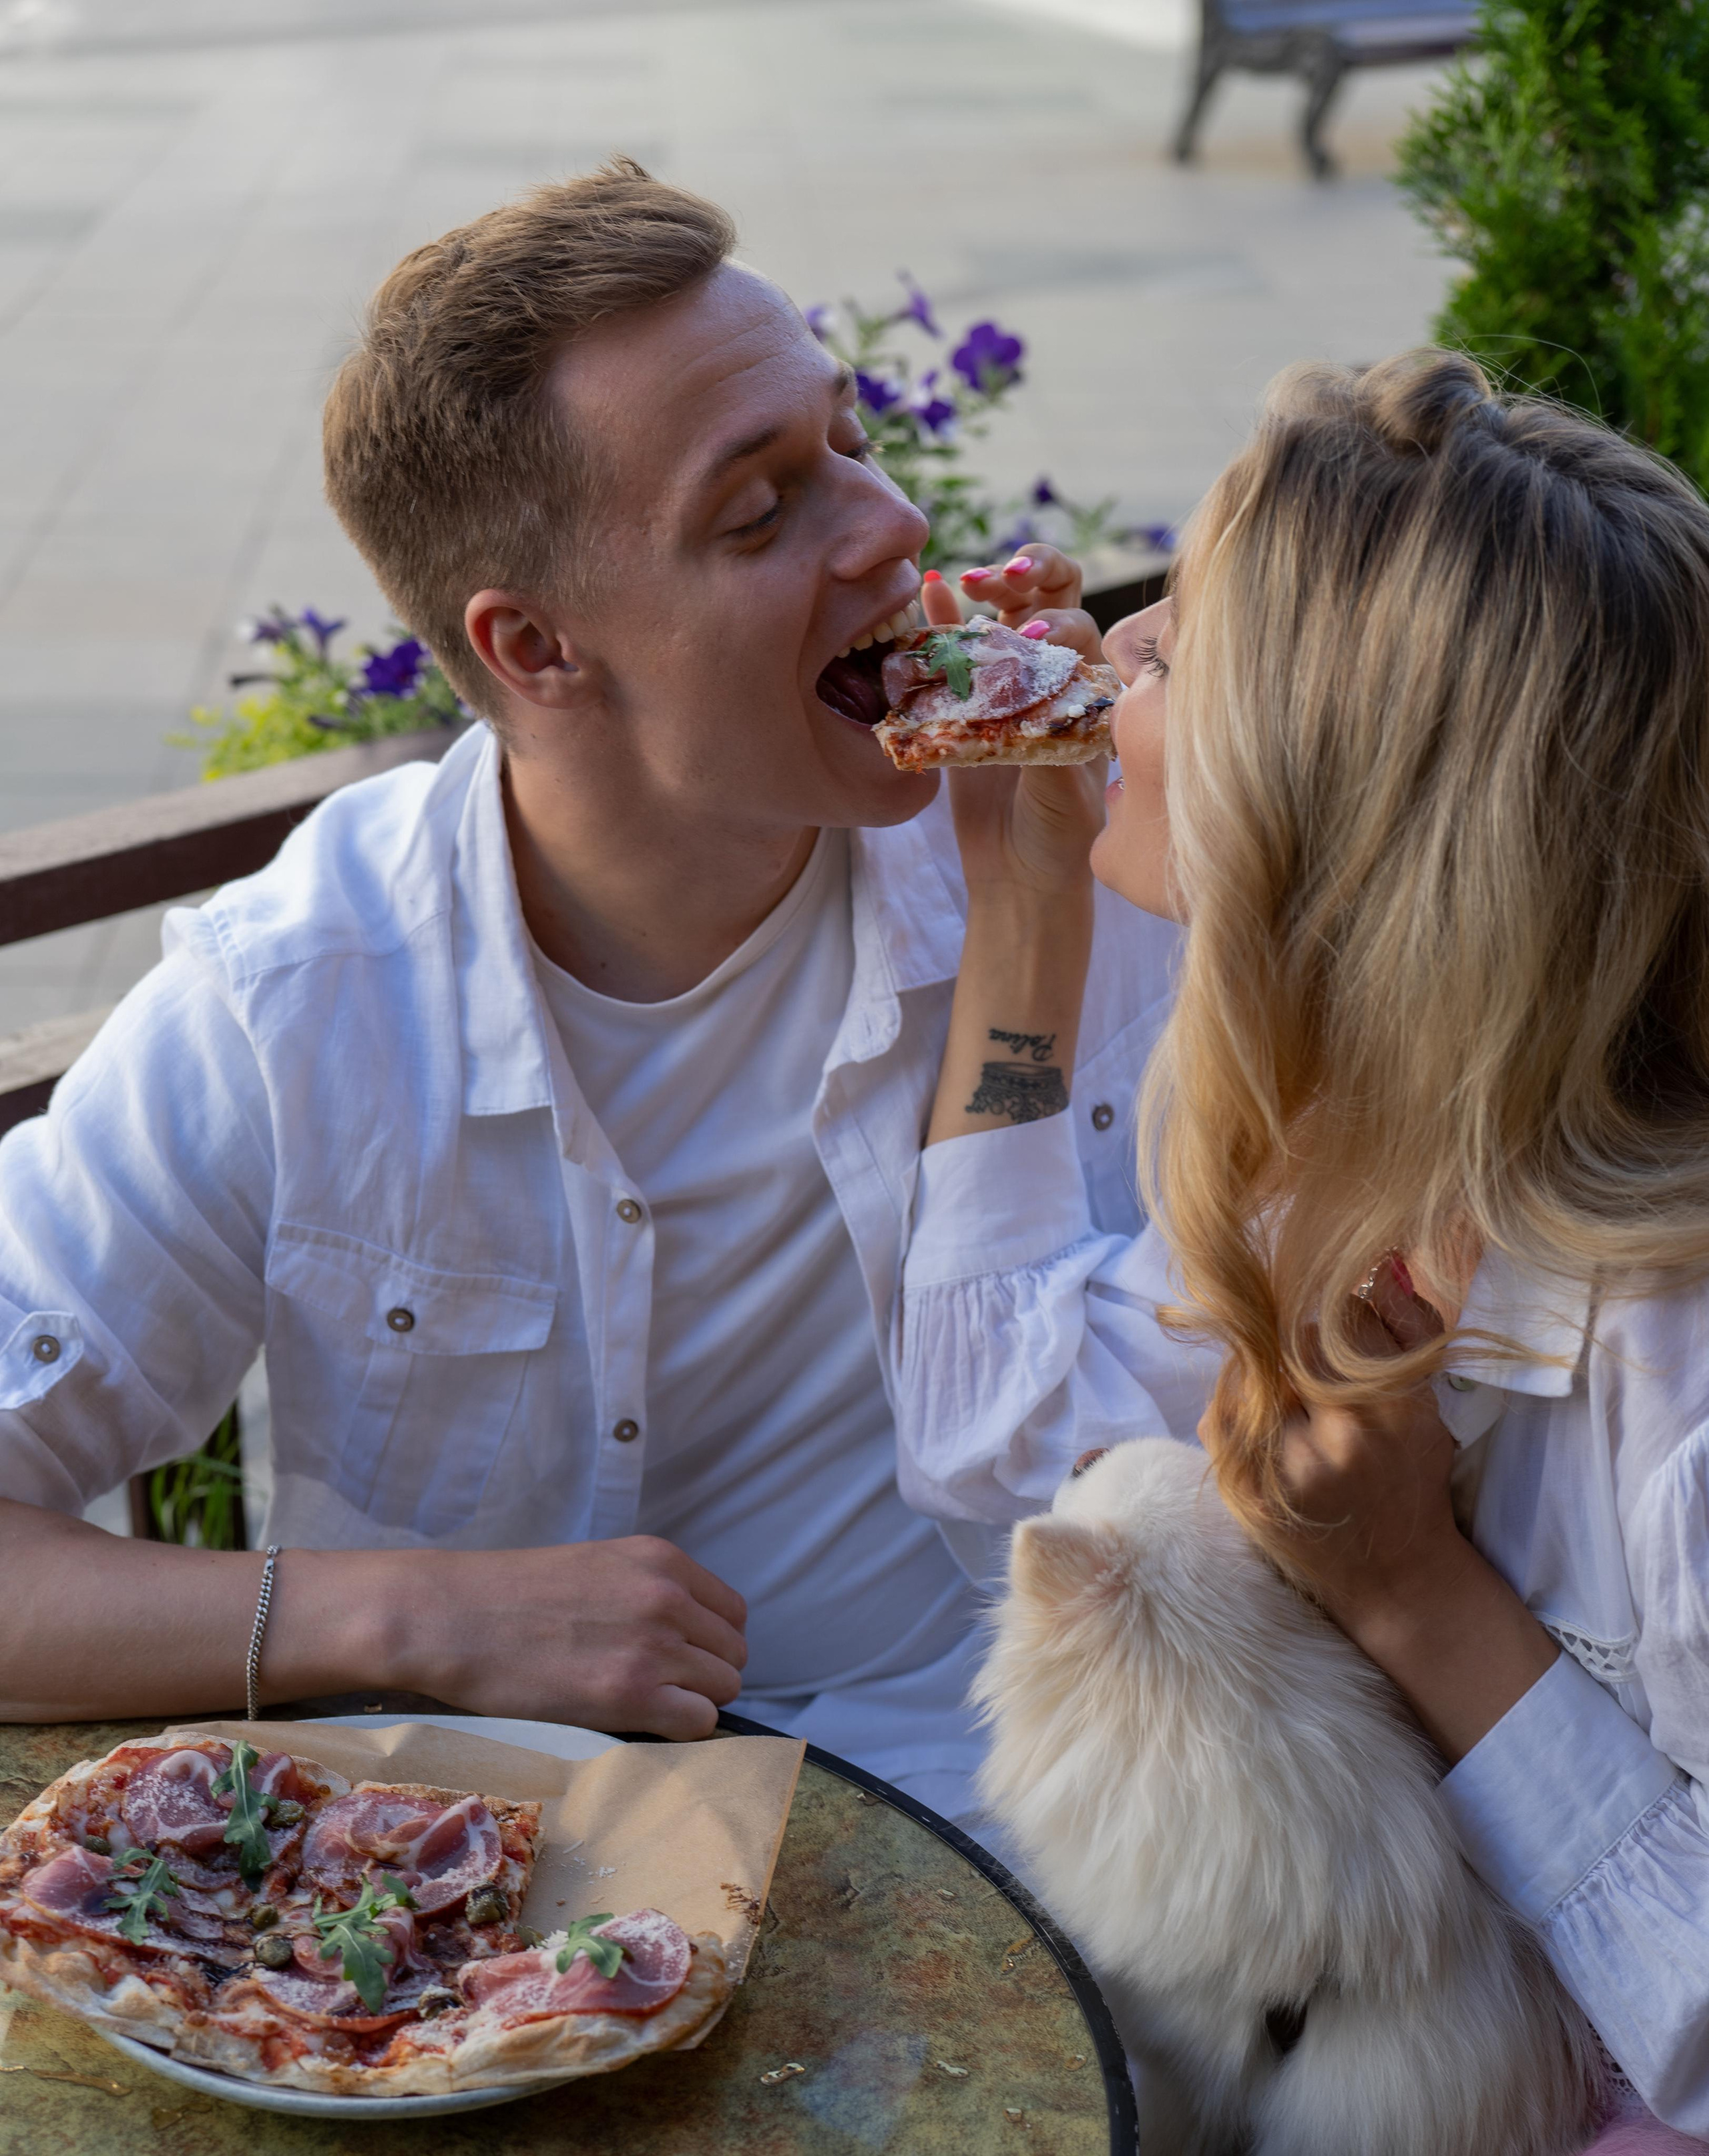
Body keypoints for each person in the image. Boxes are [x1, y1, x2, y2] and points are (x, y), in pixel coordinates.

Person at [0, 161, 1176, 1838]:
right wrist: (414, 1619)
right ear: (535, 650)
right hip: (510, 1883)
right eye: (758, 511)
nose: (896, 525)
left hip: (1021, 1814)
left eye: (845, 440)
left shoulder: (1065, 854)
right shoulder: (303, 1001)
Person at [898, 348, 1709, 2139]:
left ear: (1323, 820)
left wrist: (1416, 1593)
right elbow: (980, 1421)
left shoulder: (1681, 1367)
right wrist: (1023, 916)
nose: (1107, 659)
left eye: (1173, 650)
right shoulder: (1374, 1184)